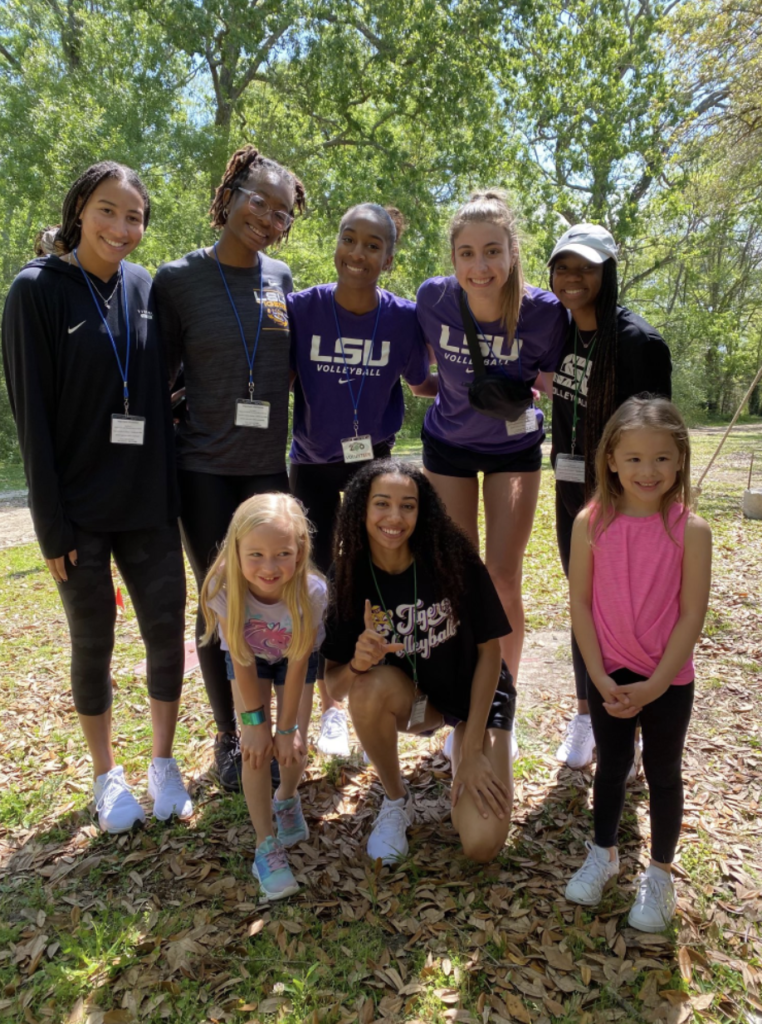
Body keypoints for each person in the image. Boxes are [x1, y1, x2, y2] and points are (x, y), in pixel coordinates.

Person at [2, 161, 191, 832]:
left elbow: (163, 385)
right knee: (94, 642)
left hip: (147, 503)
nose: (121, 227)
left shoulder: (144, 287)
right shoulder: (35, 292)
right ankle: (106, 775)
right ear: (80, 208)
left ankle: (163, 764)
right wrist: (50, 529)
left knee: (166, 629)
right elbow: (32, 419)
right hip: (79, 513)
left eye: (134, 216)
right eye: (108, 210)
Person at [153, 145, 306, 791]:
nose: (268, 218)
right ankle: (230, 734)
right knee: (221, 601)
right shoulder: (177, 279)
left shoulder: (283, 278)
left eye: (282, 213)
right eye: (259, 201)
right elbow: (155, 383)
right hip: (204, 471)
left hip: (267, 469)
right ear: (230, 194)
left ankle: (274, 732)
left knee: (272, 595)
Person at [288, 203, 433, 757]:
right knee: (319, 579)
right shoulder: (301, 309)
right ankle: (328, 708)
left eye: (373, 245)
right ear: (335, 246)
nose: (359, 252)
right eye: (350, 239)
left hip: (374, 459)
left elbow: (422, 383)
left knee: (377, 571)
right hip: (313, 462)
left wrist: (485, 389)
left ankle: (382, 680)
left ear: (388, 258)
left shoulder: (401, 318)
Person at [322, 460, 516, 866]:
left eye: (408, 505)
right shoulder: (348, 578)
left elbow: (491, 652)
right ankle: (396, 799)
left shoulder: (452, 558)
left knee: (480, 843)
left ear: (422, 510)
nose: (395, 517)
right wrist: (358, 663)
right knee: (367, 686)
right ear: (360, 509)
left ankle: (463, 744)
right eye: (382, 504)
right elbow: (337, 688)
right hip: (416, 696)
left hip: (473, 696)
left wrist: (475, 747)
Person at [564, 397, 711, 931]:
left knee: (663, 772)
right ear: (610, 460)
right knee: (612, 765)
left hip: (667, 679)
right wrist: (600, 676)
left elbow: (692, 615)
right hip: (610, 674)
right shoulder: (590, 522)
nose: (648, 471)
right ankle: (603, 852)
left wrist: (654, 685)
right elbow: (579, 604)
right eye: (634, 459)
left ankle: (660, 872)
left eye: (662, 459)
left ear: (680, 460)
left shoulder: (691, 529)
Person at [416, 191, 567, 698]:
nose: (480, 266)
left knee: (502, 577)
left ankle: (502, 700)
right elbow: (418, 369)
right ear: (453, 256)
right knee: (458, 575)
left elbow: (549, 383)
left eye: (493, 251)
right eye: (467, 253)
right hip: (449, 446)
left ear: (512, 251)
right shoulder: (433, 299)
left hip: (513, 450)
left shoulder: (545, 313)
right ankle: (463, 697)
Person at [548, 224, 673, 769]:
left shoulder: (638, 342)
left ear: (608, 272)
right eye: (564, 267)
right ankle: (584, 715)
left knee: (630, 613)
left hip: (625, 503)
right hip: (571, 491)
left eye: (588, 268)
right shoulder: (556, 331)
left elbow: (661, 433)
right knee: (584, 608)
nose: (574, 278)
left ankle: (636, 718)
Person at [200, 493, 327, 899]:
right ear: (235, 550)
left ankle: (286, 798)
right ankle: (264, 844)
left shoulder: (313, 592)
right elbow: (238, 655)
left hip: (294, 660)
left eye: (282, 554)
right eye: (255, 554)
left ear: (300, 550)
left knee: (294, 744)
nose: (269, 567)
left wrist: (286, 728)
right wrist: (255, 725)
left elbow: (299, 661)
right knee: (255, 750)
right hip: (247, 662)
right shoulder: (223, 586)